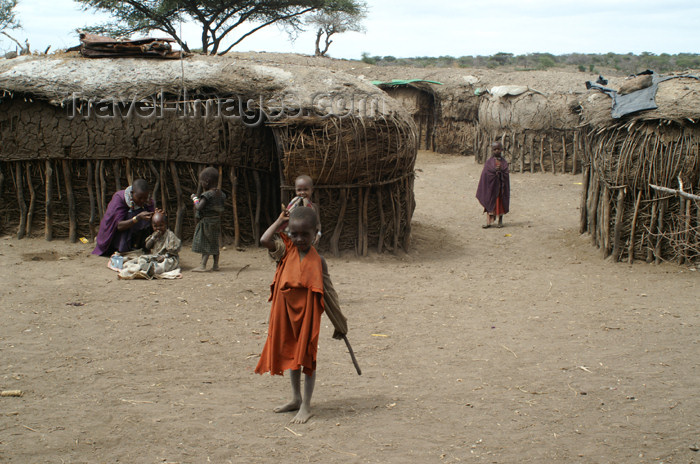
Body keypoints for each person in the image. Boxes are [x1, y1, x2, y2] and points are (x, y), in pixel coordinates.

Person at [256, 206, 338, 424]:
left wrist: (340, 323)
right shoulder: (285, 250)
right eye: (294, 233)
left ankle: (306, 405)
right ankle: (295, 398)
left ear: (316, 233)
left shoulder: (318, 261)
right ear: (288, 232)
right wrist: (279, 221)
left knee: (306, 358)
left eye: (305, 234)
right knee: (292, 356)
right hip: (284, 313)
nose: (299, 238)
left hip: (307, 317)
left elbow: (329, 292)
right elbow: (265, 240)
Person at [92, 179, 155, 256]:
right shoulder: (119, 199)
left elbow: (152, 216)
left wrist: (157, 214)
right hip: (115, 236)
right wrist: (137, 218)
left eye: (145, 198)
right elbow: (118, 226)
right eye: (139, 198)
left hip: (134, 238)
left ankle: (137, 247)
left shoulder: (146, 200)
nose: (142, 200)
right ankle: (121, 248)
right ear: (132, 193)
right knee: (131, 216)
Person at [118, 212, 181, 279]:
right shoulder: (154, 235)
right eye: (155, 226)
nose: (158, 228)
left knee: (167, 264)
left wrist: (163, 257)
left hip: (167, 258)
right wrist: (153, 238)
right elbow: (147, 246)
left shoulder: (170, 236)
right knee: (142, 258)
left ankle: (153, 269)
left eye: (161, 225)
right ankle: (144, 266)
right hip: (155, 256)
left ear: (166, 225)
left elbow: (173, 252)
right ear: (152, 226)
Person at [191, 167, 226, 272]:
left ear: (207, 182)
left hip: (206, 222)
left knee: (206, 242)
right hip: (216, 221)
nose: (201, 184)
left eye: (201, 181)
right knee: (214, 242)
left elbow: (199, 207)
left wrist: (194, 198)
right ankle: (215, 265)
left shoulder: (207, 195)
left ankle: (203, 265)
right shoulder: (221, 194)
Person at [476, 141, 510, 228]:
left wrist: (501, 171)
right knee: (490, 202)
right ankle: (488, 222)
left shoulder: (504, 162)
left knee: (500, 204)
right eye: (495, 149)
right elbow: (485, 174)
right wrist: (494, 171)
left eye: (498, 149)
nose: (497, 151)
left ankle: (500, 221)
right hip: (491, 188)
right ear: (492, 150)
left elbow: (506, 173)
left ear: (502, 150)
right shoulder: (489, 162)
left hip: (500, 189)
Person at [284, 175, 322, 246]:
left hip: (309, 241)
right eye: (299, 190)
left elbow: (318, 223)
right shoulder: (292, 207)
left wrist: (318, 234)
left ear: (312, 190)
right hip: (292, 240)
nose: (302, 193)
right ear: (295, 191)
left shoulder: (314, 207)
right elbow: (286, 222)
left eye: (305, 189)